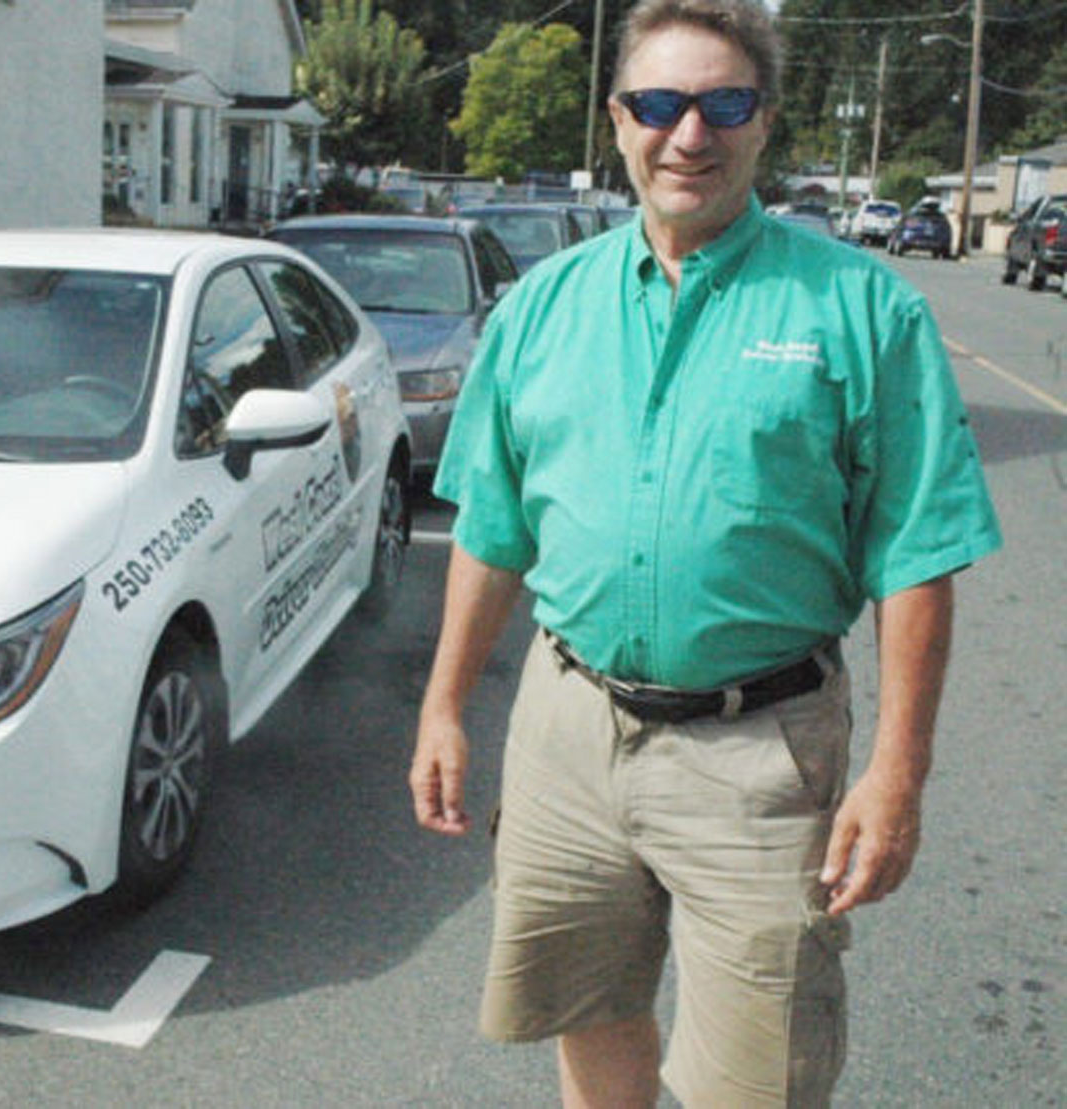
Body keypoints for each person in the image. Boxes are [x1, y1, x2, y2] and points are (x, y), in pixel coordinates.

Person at [406, 1, 1002, 1106]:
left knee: (758, 1077)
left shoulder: (863, 310)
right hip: (567, 730)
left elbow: (917, 554)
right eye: (661, 104)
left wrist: (899, 769)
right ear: (618, 120)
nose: (692, 134)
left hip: (759, 749)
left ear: (765, 122)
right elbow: (491, 529)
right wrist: (445, 706)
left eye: (724, 103)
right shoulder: (541, 309)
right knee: (589, 1008)